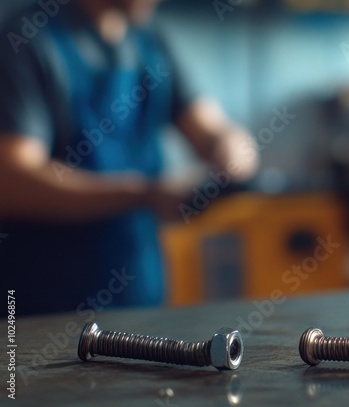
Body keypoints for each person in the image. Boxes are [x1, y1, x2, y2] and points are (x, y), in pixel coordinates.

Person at [0, 0, 258, 314]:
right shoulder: (28, 39)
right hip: (45, 303)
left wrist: (233, 150)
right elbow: (12, 181)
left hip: (140, 292)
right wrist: (143, 194)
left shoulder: (148, 41)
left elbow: (211, 131)